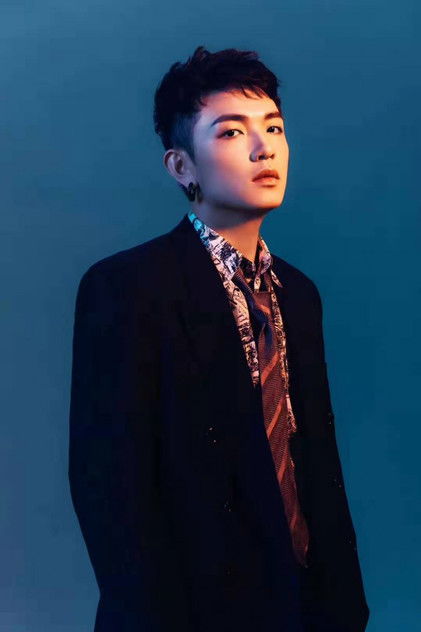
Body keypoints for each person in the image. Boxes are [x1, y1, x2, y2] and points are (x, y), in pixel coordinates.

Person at [68, 45, 370, 632]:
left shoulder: (298, 294)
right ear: (181, 166)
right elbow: (107, 484)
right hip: (190, 612)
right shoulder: (128, 287)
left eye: (274, 127)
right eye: (232, 132)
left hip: (304, 607)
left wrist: (342, 606)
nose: (264, 148)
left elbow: (314, 462)